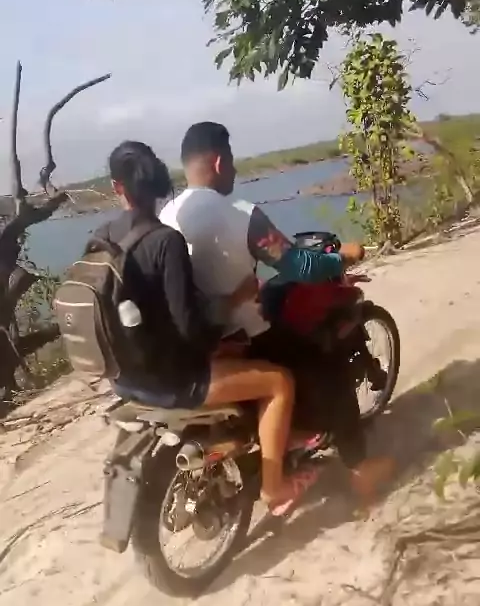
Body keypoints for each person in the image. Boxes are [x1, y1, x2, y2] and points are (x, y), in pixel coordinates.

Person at [160, 122, 393, 508]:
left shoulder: (169, 214)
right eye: (231, 161)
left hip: (197, 340)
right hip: (244, 336)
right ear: (218, 162)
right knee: (329, 364)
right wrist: (343, 256)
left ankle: (292, 437)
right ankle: (360, 469)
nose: (235, 169)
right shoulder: (240, 214)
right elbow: (299, 264)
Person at [95, 140, 310, 516]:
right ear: (159, 181)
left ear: (117, 187)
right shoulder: (165, 241)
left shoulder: (101, 238)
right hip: (172, 381)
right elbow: (190, 327)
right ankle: (274, 488)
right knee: (279, 382)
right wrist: (233, 305)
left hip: (123, 379)